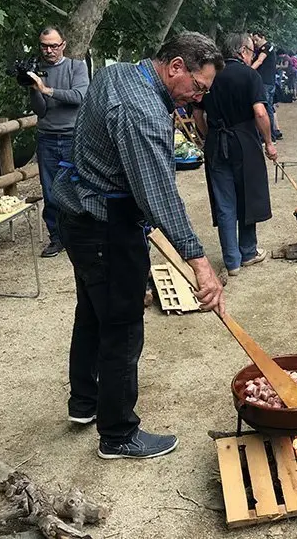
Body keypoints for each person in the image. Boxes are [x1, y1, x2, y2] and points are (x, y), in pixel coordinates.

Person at [52, 32, 225, 459]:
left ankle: (84, 403)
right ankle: (118, 434)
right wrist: (201, 264)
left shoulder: (119, 73)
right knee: (123, 325)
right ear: (176, 66)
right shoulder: (143, 109)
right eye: (198, 87)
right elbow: (158, 192)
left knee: (92, 311)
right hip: (104, 223)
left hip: (81, 213)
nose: (197, 98)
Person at [192, 33, 277, 282]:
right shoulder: (250, 75)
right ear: (241, 51)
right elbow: (260, 113)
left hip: (217, 142)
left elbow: (198, 116)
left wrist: (211, 136)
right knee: (247, 195)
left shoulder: (210, 75)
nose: (252, 55)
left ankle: (232, 261)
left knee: (224, 201)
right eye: (251, 50)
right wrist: (269, 143)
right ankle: (248, 251)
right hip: (245, 142)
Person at [27, 26, 89, 258]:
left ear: (63, 44)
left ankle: (82, 236)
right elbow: (40, 111)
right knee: (50, 191)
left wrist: (47, 89)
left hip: (75, 137)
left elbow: (80, 96)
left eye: (54, 45)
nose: (49, 50)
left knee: (79, 187)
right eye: (45, 46)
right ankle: (57, 238)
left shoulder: (77, 67)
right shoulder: (37, 71)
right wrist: (34, 90)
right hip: (47, 138)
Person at [250, 31, 281, 140]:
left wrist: (248, 71)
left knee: (265, 108)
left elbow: (259, 61)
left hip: (265, 82)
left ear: (263, 37)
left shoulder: (267, 48)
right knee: (269, 108)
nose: (255, 42)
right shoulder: (260, 49)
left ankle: (269, 136)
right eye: (253, 40)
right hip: (268, 82)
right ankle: (271, 134)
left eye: (256, 40)